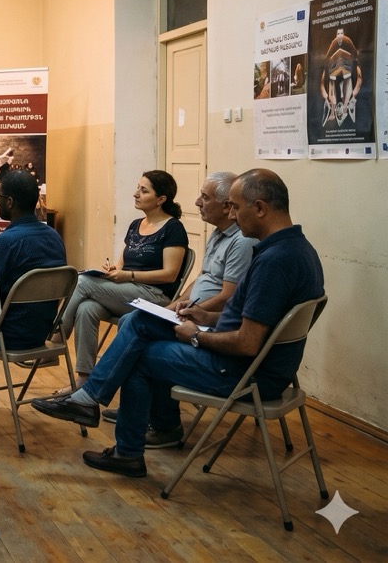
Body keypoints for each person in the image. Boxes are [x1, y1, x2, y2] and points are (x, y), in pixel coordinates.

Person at [31, 170, 323, 478]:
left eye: (236, 207)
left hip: (246, 374)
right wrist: (205, 317)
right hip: (260, 365)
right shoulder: (297, 249)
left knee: (139, 353)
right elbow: (252, 320)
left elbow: (247, 342)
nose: (232, 215)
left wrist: (196, 336)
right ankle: (96, 403)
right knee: (140, 321)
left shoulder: (273, 261)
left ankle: (123, 443)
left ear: (260, 208)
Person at [98, 170, 256, 425]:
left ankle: (97, 396)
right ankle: (127, 406)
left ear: (227, 206)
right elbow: (202, 279)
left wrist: (190, 313)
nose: (197, 202)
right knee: (121, 318)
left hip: (208, 323)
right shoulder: (218, 233)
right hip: (193, 312)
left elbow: (228, 296)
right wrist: (176, 304)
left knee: (135, 328)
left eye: (205, 197)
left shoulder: (241, 242)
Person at [55, 170, 188, 392]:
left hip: (154, 296)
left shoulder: (173, 228)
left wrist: (129, 275)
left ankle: (56, 339)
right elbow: (122, 265)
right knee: (87, 308)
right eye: (137, 188)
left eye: (144, 191)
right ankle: (84, 381)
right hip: (127, 290)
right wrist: (114, 271)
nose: (136, 194)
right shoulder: (136, 225)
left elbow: (170, 274)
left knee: (82, 281)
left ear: (161, 199)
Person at [0, 170, 68, 351]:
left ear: (9, 202)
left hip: (6, 336)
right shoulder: (55, 237)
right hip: (43, 333)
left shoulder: (5, 243)